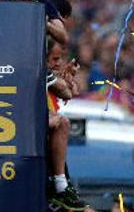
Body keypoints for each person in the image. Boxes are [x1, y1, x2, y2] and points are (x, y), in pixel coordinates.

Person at [46, 42, 86, 211]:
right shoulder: (39, 72)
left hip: (50, 153)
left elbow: (71, 91)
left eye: (60, 59)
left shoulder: (49, 76)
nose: (58, 63)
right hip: (44, 153)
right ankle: (60, 187)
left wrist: (65, 76)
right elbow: (66, 90)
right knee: (63, 122)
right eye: (54, 59)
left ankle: (62, 186)